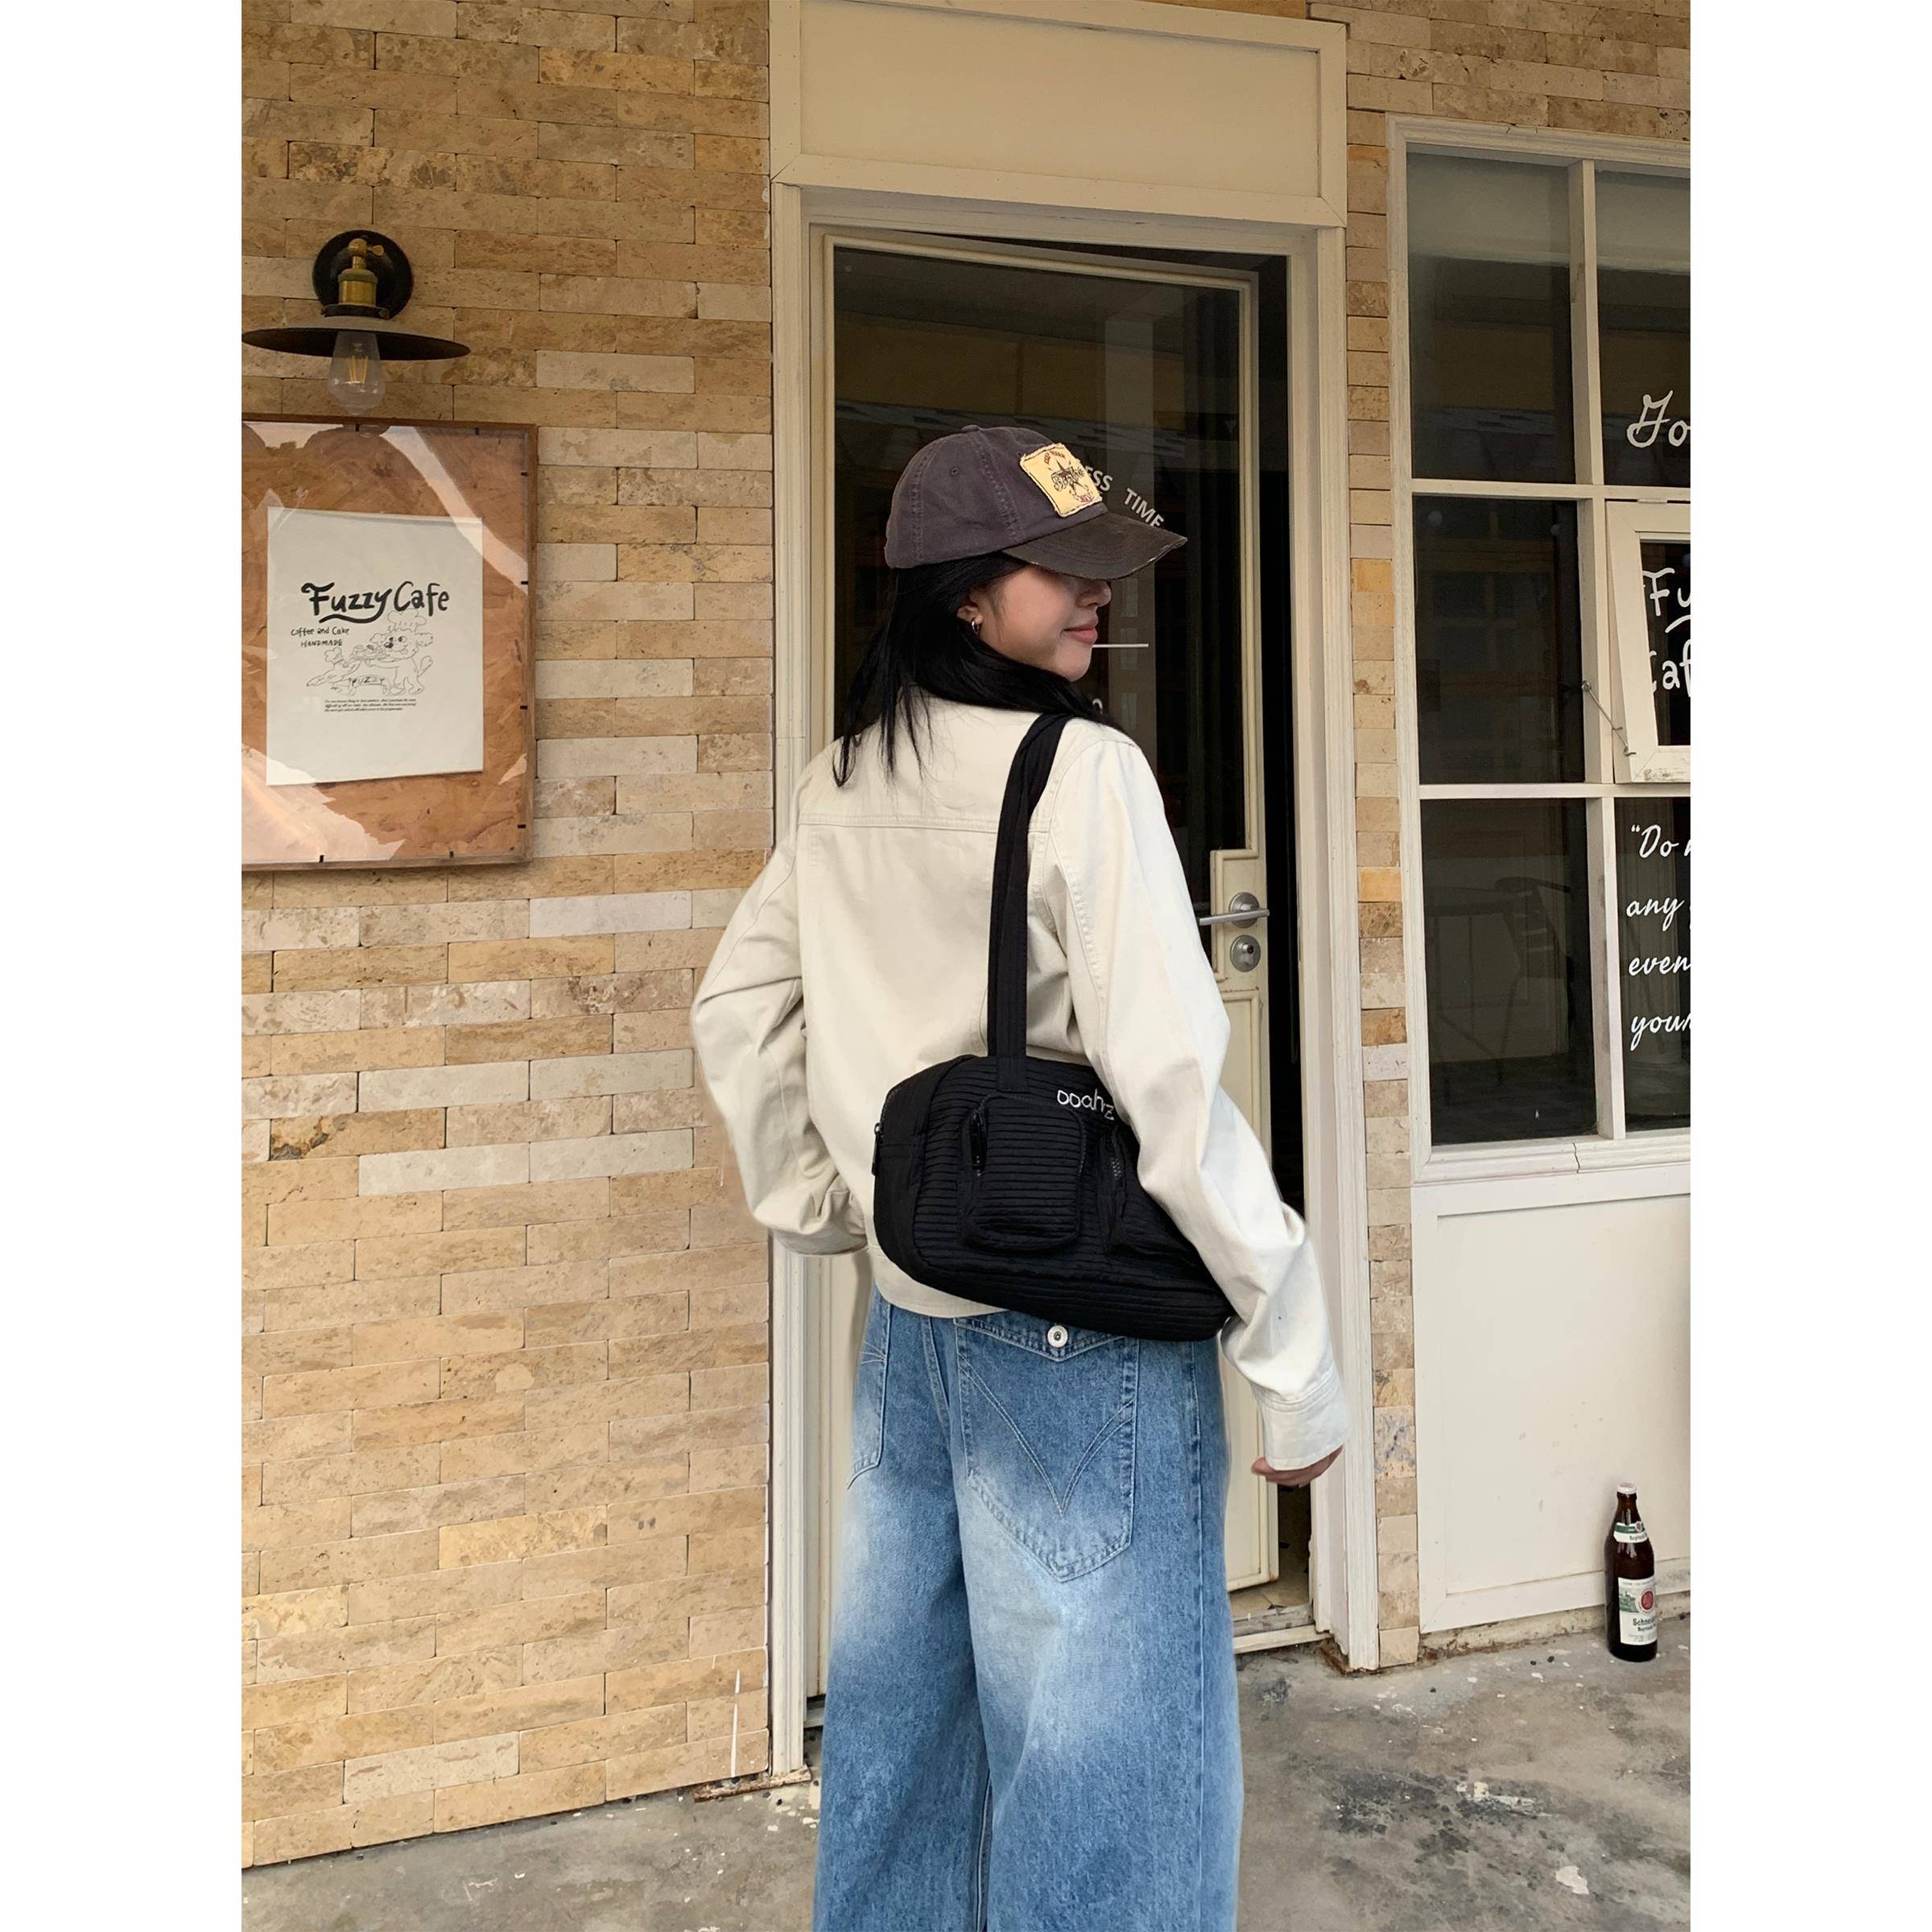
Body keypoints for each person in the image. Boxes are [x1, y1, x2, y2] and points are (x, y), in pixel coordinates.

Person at [690, 424, 1349, 1932]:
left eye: (1102, 570)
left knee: (905, 1753)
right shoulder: (1085, 772)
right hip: (1080, 1338)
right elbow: (1170, 1087)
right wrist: (1294, 1356)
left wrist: (833, 1208)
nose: (1098, 596)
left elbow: (738, 1009)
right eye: (1064, 572)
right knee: (1109, 1795)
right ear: (964, 596)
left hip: (912, 1326)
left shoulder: (843, 777)